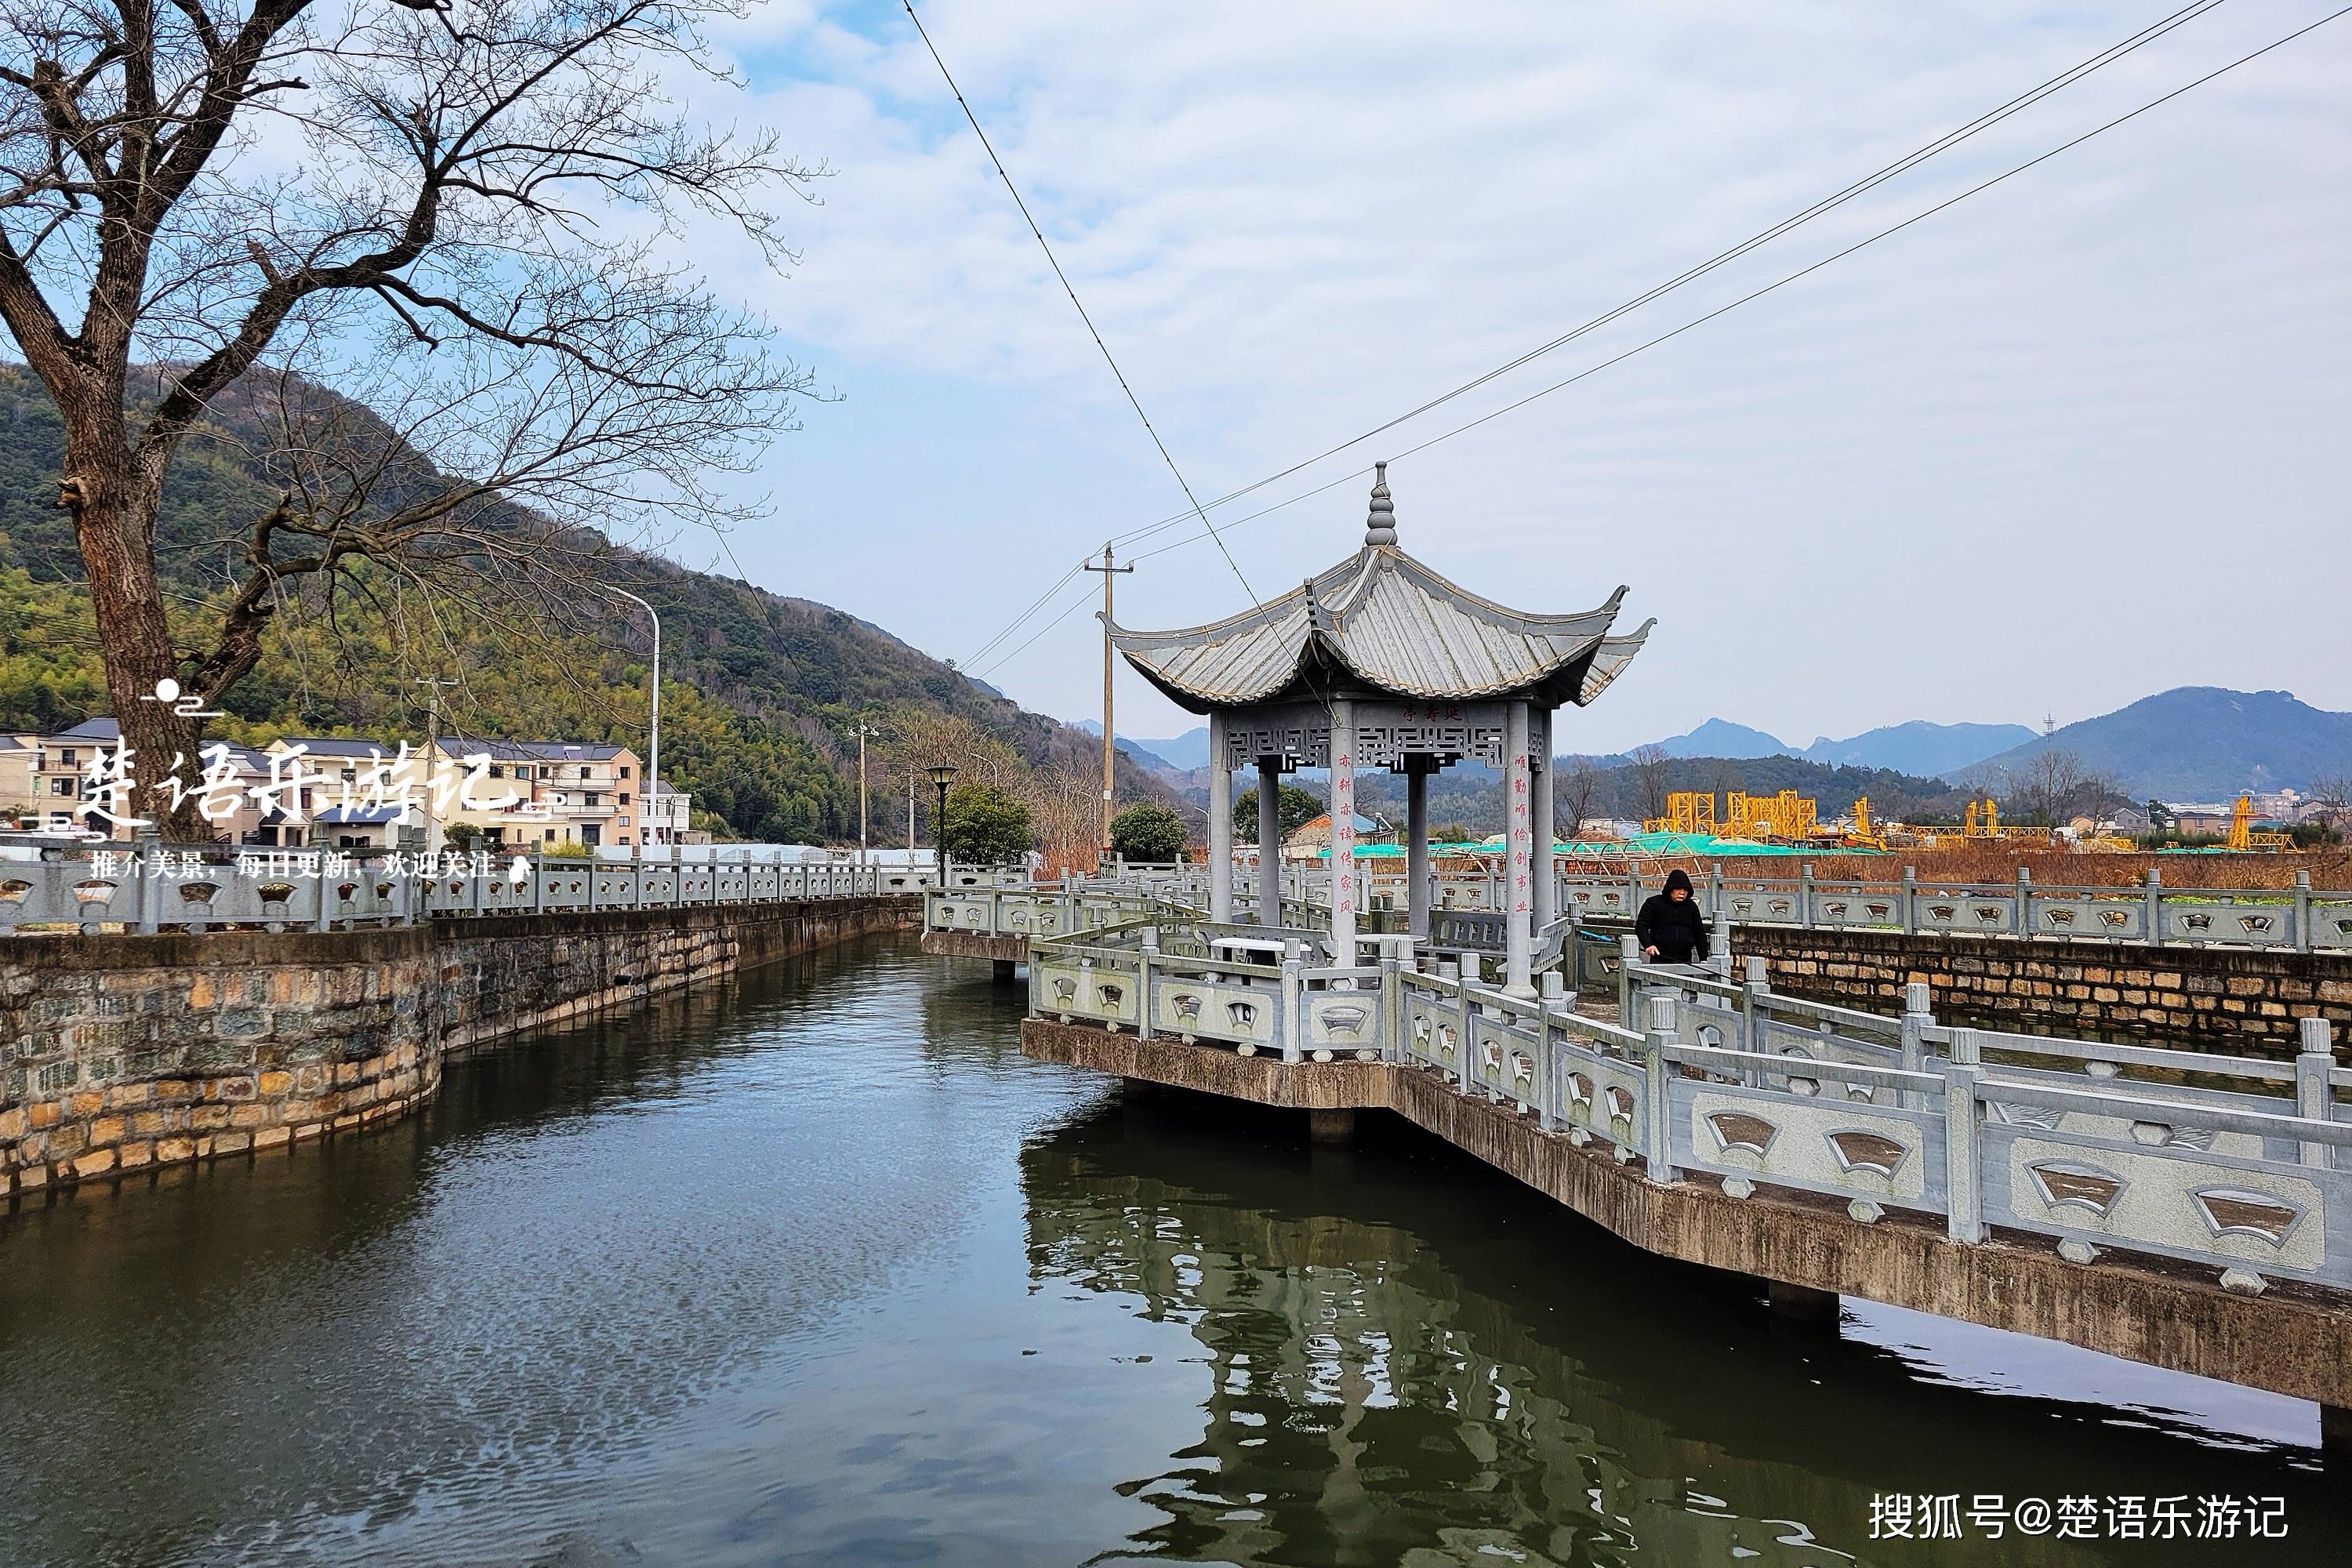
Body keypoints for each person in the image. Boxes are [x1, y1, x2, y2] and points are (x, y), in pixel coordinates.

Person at [1635, 867, 1711, 964]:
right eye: (1678, 888)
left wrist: (1703, 958)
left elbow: (1699, 933)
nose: (1682, 892)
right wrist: (1648, 945)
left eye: (1685, 890)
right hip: (1660, 959)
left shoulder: (1691, 906)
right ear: (1670, 889)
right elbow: (1641, 926)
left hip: (1685, 960)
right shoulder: (1653, 903)